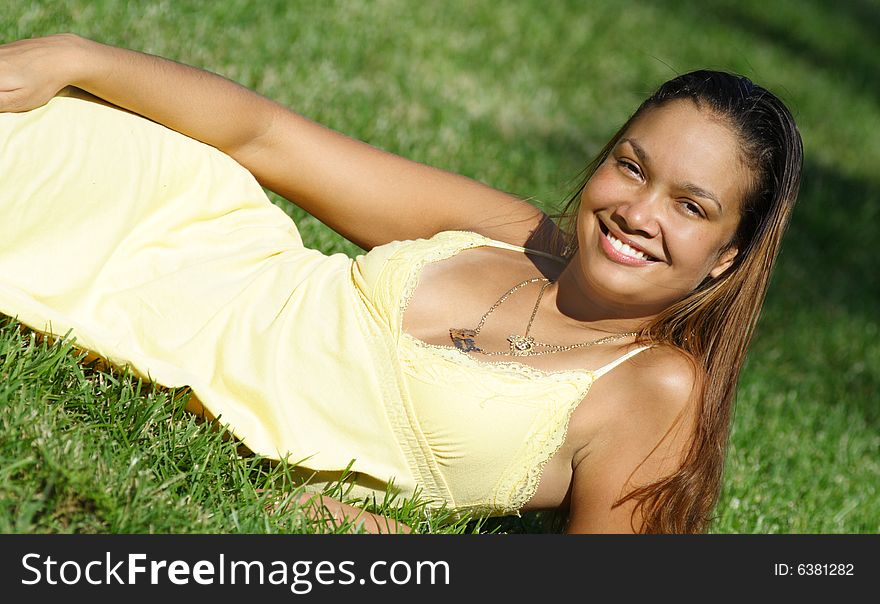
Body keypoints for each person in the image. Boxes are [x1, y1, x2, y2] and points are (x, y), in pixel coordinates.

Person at [0, 33, 802, 534]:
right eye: (632, 166)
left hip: (133, 302)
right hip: (168, 222)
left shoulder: (655, 387)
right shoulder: (519, 234)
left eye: (690, 206)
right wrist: (79, 57)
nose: (637, 210)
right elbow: (270, 139)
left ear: (728, 256)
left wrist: (386, 541)